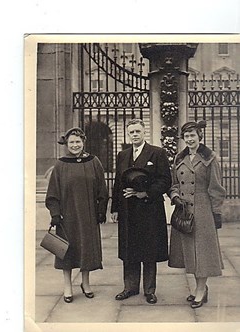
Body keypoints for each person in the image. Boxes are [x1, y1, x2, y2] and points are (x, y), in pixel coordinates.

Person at [111, 119, 172, 304]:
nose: (135, 135)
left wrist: (144, 193)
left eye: (138, 131)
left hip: (149, 209)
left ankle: (149, 290)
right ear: (128, 135)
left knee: (149, 249)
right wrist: (114, 208)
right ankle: (129, 287)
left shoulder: (157, 153)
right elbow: (117, 183)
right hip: (128, 210)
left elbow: (165, 180)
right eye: (132, 132)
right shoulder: (123, 155)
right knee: (129, 249)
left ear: (144, 132)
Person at [45, 127, 108, 303]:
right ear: (66, 144)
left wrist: (101, 210)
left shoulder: (94, 162)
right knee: (67, 251)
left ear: (83, 142)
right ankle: (67, 286)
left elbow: (102, 189)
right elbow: (52, 193)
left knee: (86, 249)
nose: (75, 145)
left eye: (78, 142)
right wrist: (55, 214)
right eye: (71, 142)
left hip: (88, 215)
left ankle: (85, 283)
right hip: (67, 217)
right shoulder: (60, 165)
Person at [168, 120, 226, 308]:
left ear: (200, 137)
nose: (190, 139)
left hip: (203, 210)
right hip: (184, 211)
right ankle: (200, 287)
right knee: (190, 254)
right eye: (186, 136)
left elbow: (216, 188)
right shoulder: (179, 158)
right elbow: (174, 183)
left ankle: (200, 290)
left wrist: (216, 213)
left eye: (193, 135)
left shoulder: (209, 159)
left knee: (202, 253)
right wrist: (175, 196)